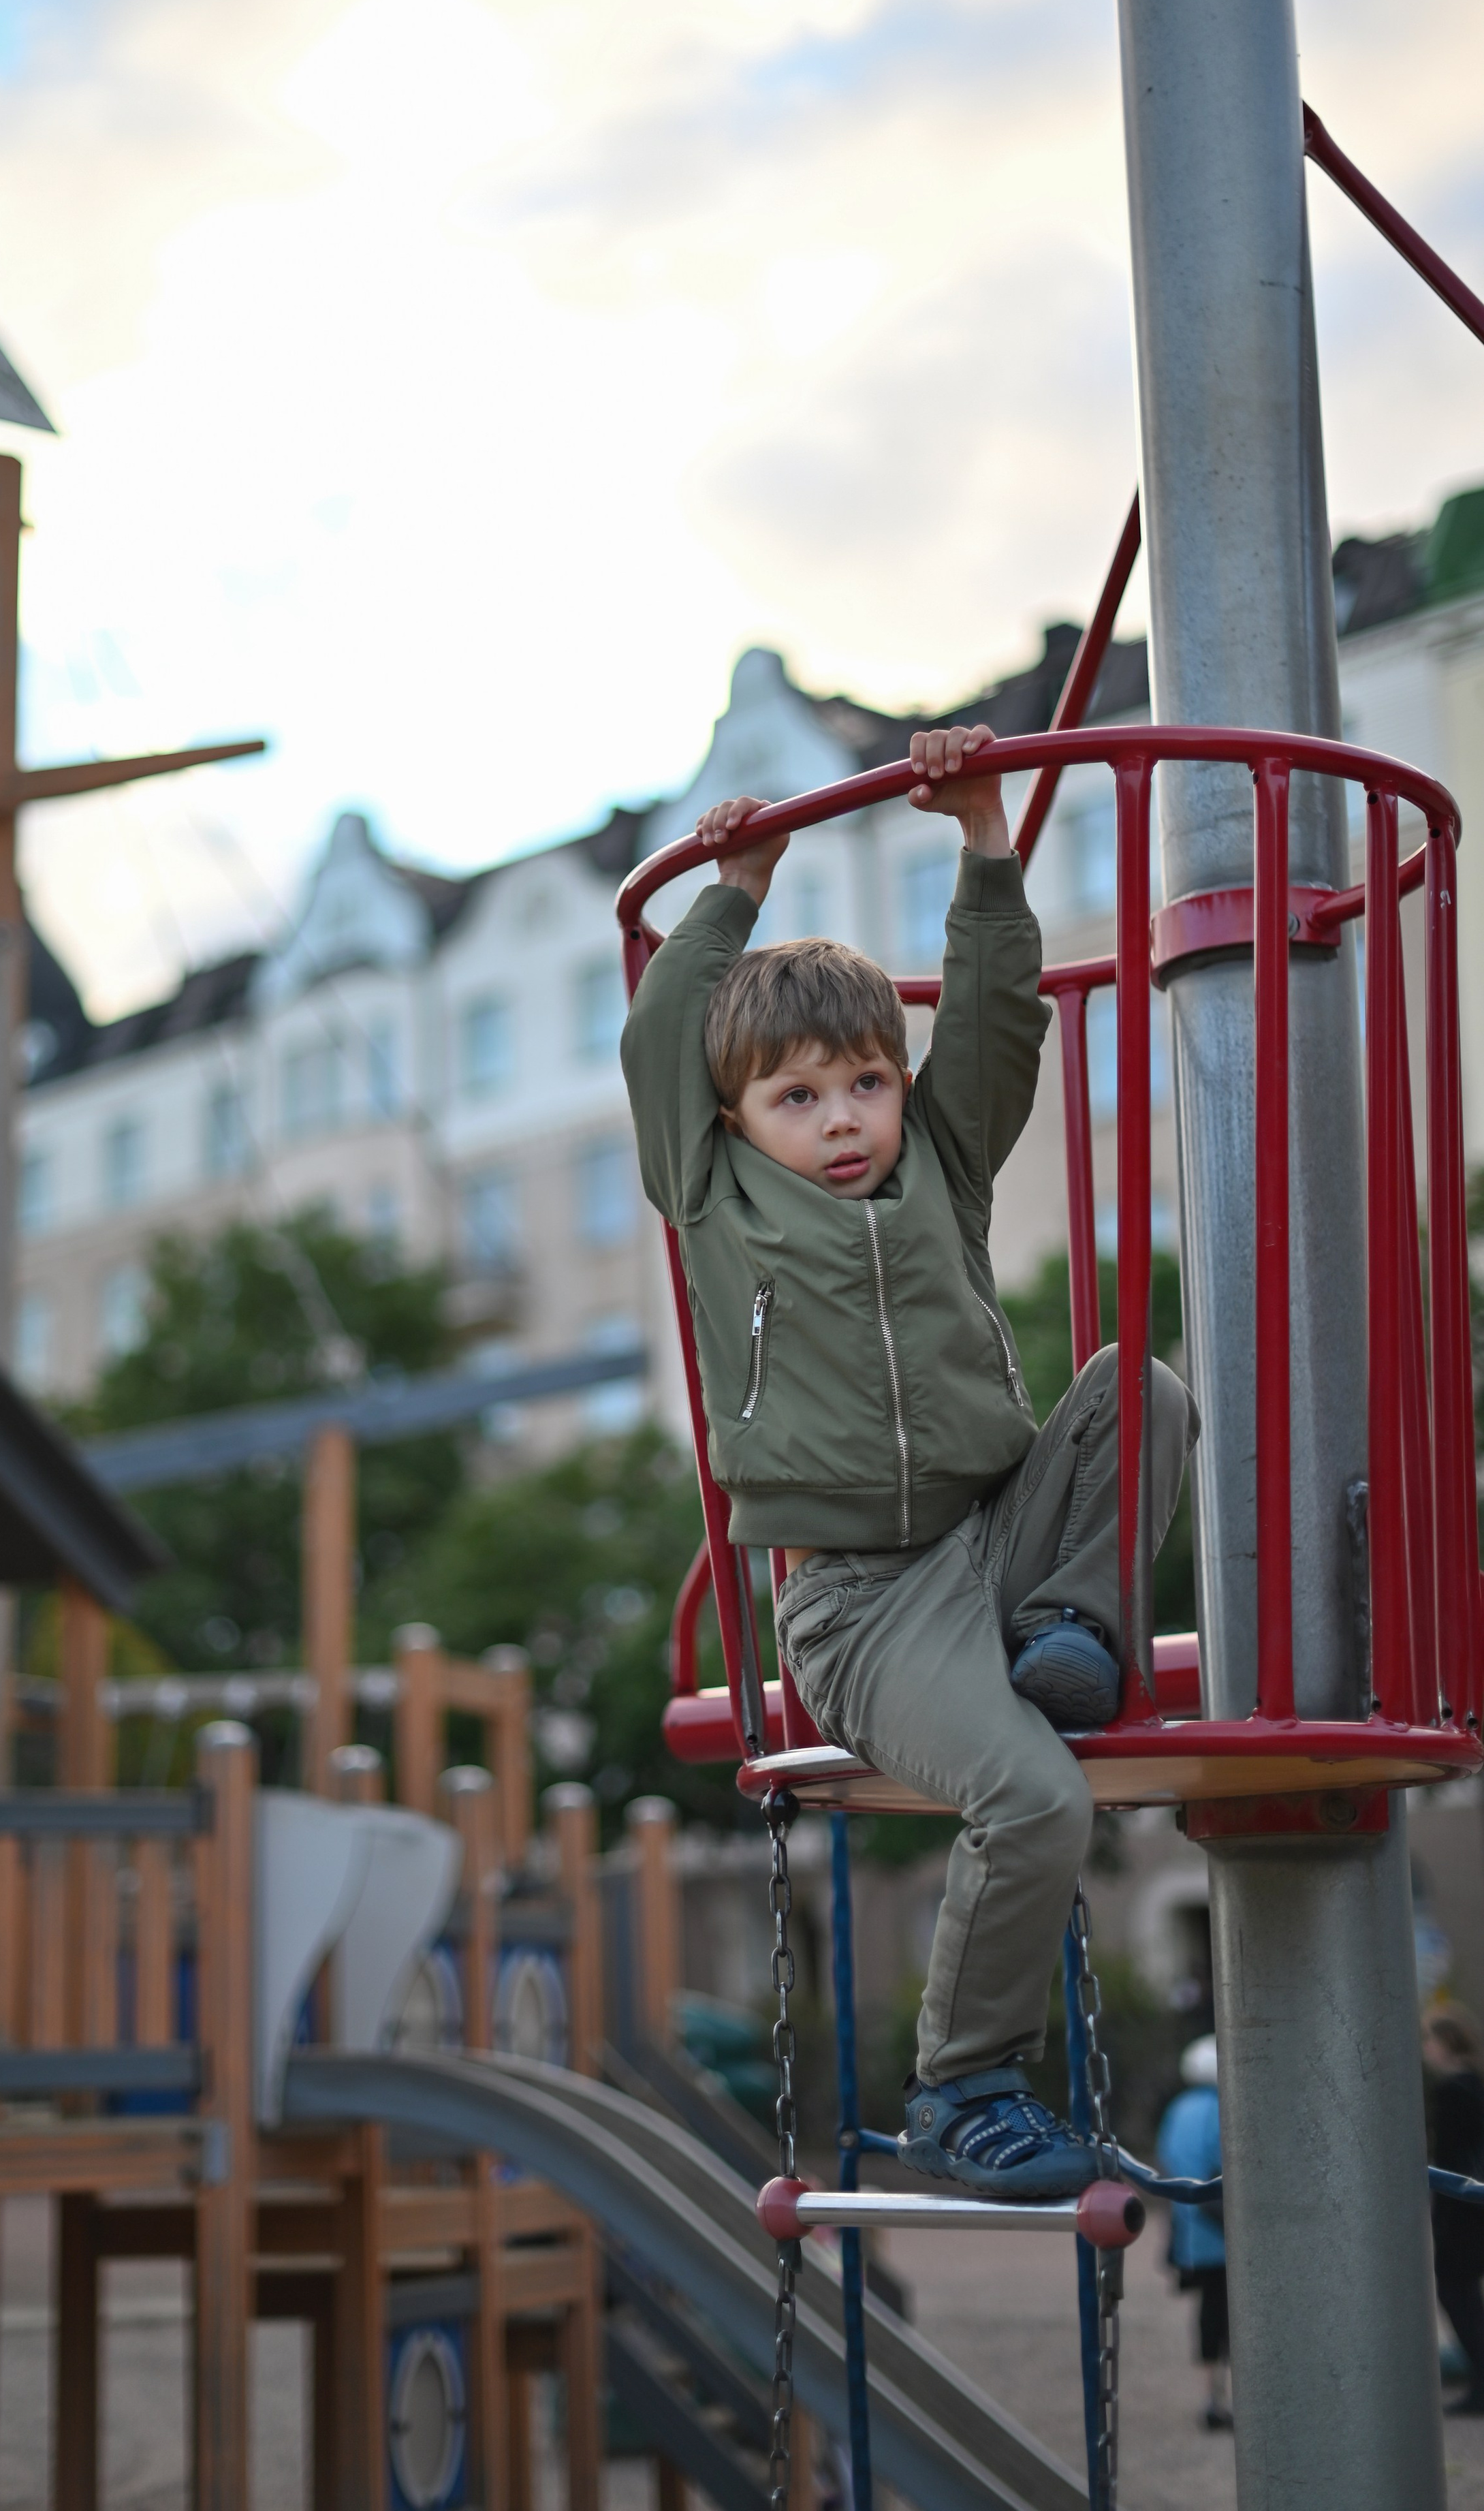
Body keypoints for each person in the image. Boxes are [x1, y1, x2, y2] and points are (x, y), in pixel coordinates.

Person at [621, 722, 1198, 2200]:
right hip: (866, 1601)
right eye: (796, 1097)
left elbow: (999, 1026)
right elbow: (654, 1042)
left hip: (990, 1532)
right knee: (1035, 1800)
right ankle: (961, 2089)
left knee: (1134, 1388)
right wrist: (734, 887)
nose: (839, 1122)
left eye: (862, 1084)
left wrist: (988, 843)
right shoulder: (710, 1197)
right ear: (737, 1119)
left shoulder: (936, 1159)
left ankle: (1067, 1625)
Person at [1156, 2033, 1229, 2430]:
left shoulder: (1178, 2108)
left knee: (1208, 2317)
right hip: (1225, 2236)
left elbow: (1168, 2162)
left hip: (1190, 2235)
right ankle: (1232, 2399)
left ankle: (1210, 2396)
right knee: (1236, 2320)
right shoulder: (1224, 2108)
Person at [1423, 2001, 1484, 2414]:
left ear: (1444, 2043)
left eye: (1428, 2039)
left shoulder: (1451, 2090)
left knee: (1457, 2294)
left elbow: (1445, 2159)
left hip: (1459, 2211)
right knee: (1465, 2295)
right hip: (1474, 2205)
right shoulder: (1475, 2083)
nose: (1424, 2048)